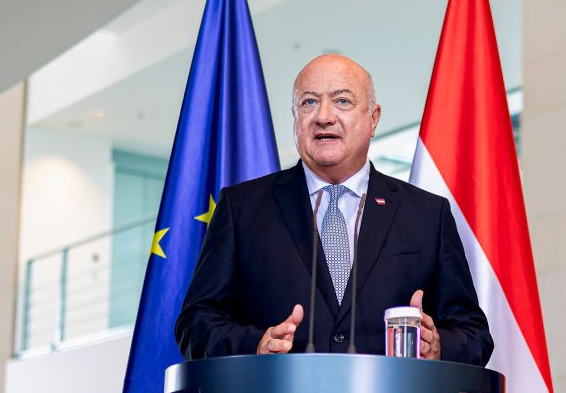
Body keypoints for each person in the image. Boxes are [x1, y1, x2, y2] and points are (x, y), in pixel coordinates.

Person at [176, 53, 492, 365]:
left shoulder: (427, 214)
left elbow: (474, 334)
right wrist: (254, 346)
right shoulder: (241, 208)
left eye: (342, 101)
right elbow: (195, 323)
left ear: (373, 118)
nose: (324, 116)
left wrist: (437, 347)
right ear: (295, 117)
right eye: (309, 102)